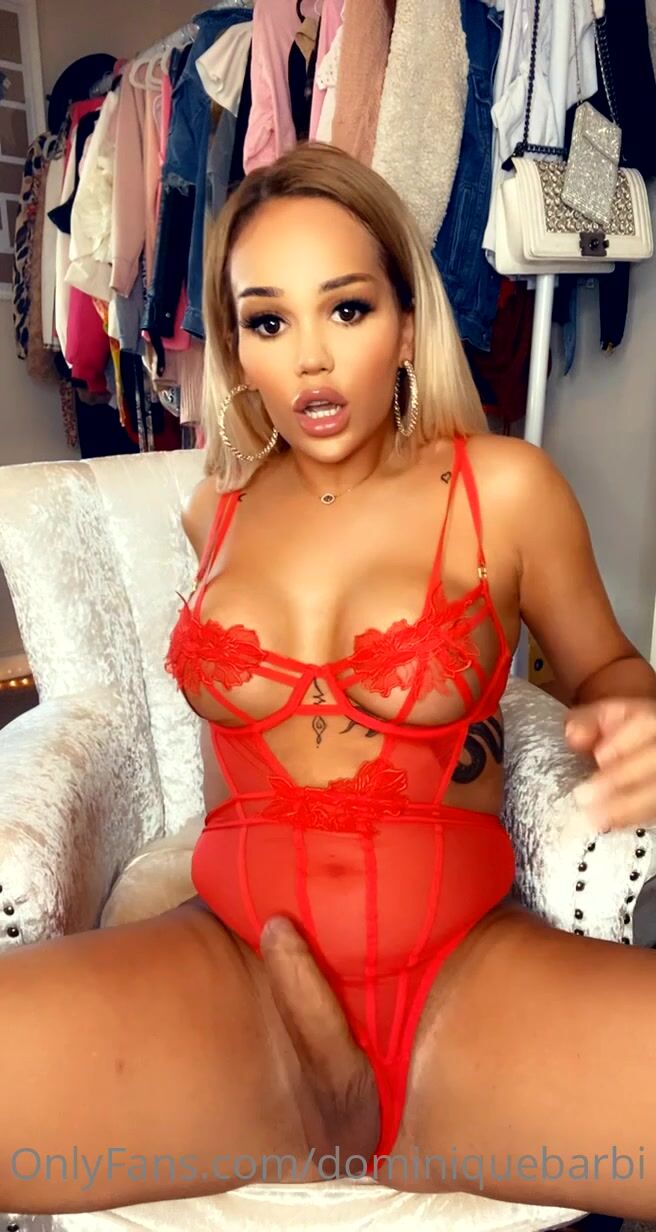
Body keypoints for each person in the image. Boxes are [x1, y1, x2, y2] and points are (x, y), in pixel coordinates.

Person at [5, 142, 656, 1221]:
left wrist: (632, 714)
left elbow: (607, 663)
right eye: (267, 322)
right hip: (234, 984)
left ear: (404, 321)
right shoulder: (214, 512)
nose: (310, 359)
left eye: (345, 309)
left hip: (462, 990)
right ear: (235, 349)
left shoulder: (502, 488)